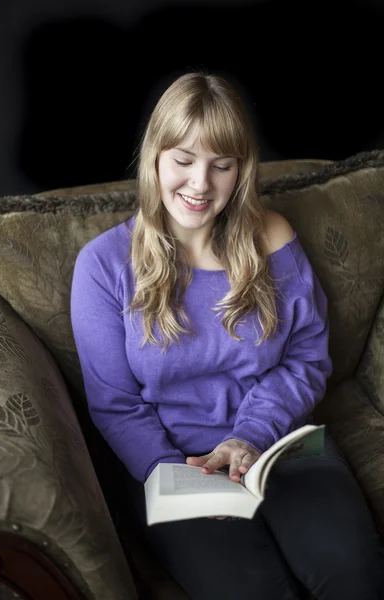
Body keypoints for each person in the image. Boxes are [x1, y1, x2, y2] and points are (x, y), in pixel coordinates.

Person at [70, 71, 384, 599]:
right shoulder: (103, 265)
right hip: (173, 461)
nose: (200, 184)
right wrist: (175, 478)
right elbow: (115, 404)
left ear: (241, 171)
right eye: (184, 160)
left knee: (355, 579)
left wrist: (249, 437)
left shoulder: (273, 237)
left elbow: (307, 359)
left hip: (281, 444)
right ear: (155, 158)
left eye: (221, 166)